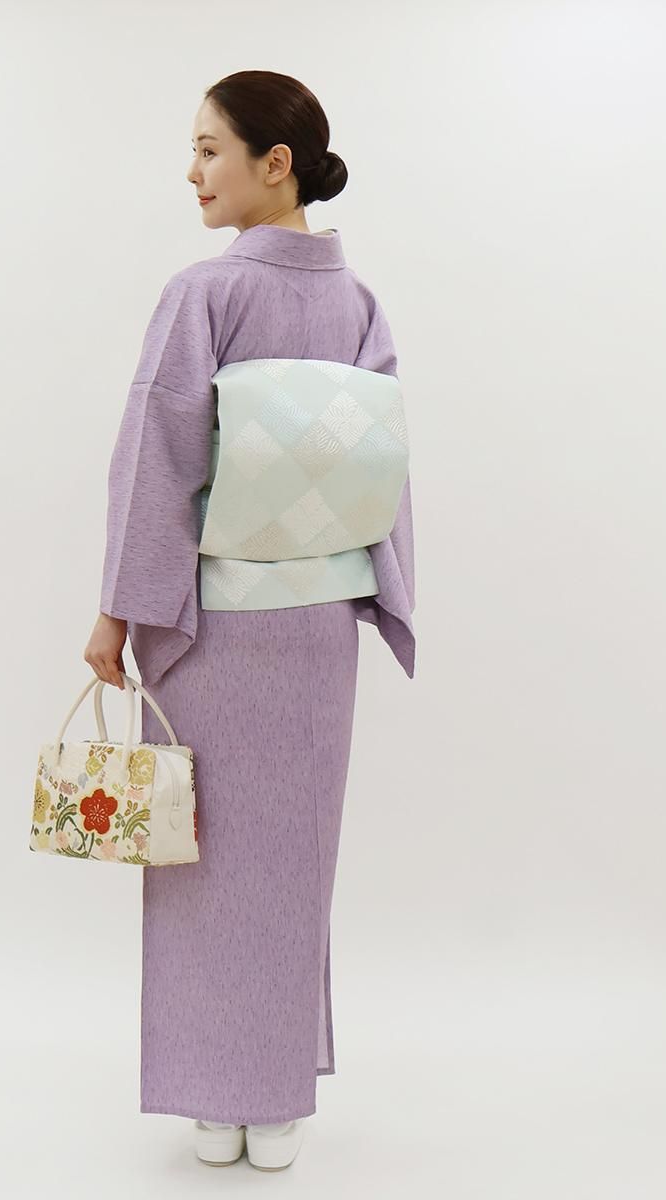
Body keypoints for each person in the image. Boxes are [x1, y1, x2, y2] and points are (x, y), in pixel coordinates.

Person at [83, 70, 416, 1172]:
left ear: (276, 164)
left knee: (200, 857)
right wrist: (381, 592)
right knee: (290, 863)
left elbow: (157, 458)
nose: (192, 171)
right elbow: (380, 468)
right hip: (319, 623)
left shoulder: (204, 294)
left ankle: (217, 1100)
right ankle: (274, 1106)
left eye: (208, 149)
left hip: (211, 627)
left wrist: (117, 613)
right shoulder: (357, 302)